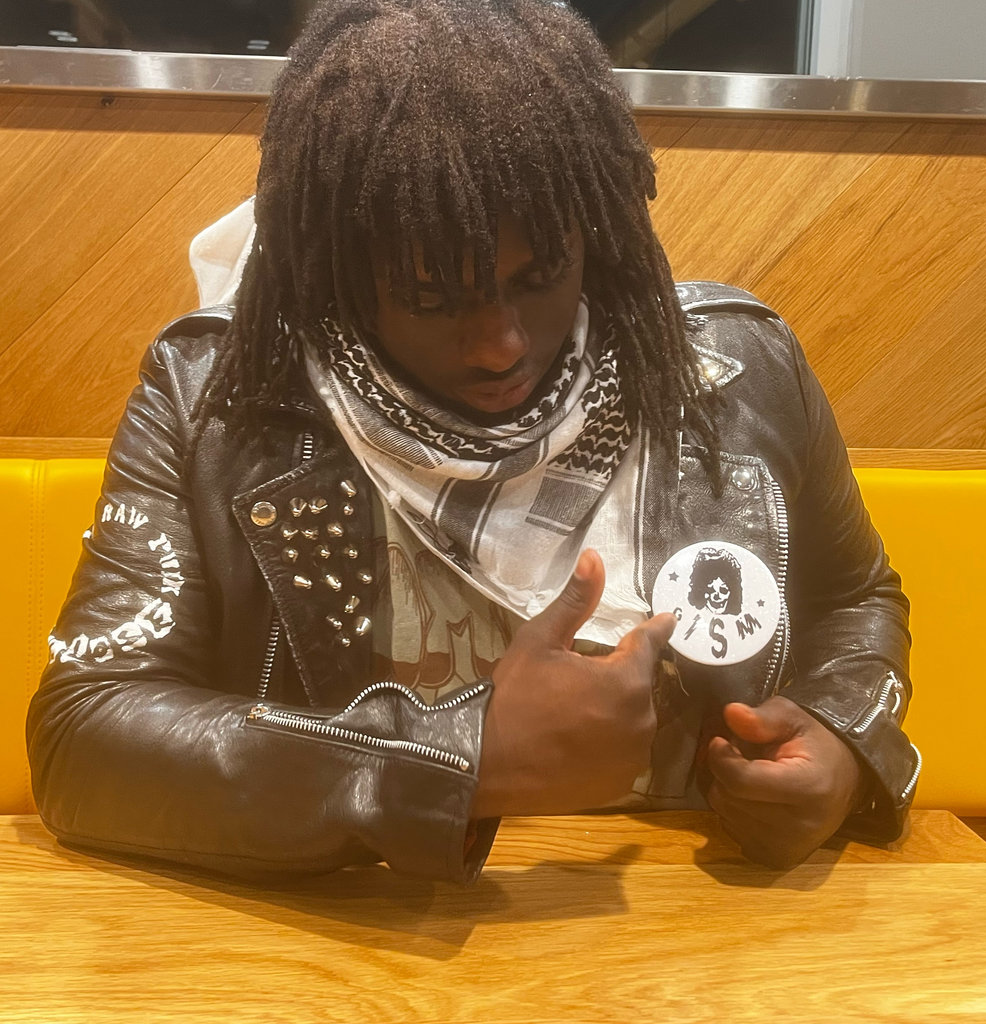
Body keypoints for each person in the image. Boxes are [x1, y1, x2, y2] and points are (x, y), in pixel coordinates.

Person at [27, 0, 920, 883]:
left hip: (695, 915)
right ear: (338, 274)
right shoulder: (215, 399)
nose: (500, 345)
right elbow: (86, 734)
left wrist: (843, 741)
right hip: (365, 931)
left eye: (541, 277)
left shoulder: (742, 371)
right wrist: (455, 760)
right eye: (431, 297)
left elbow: (854, 598)